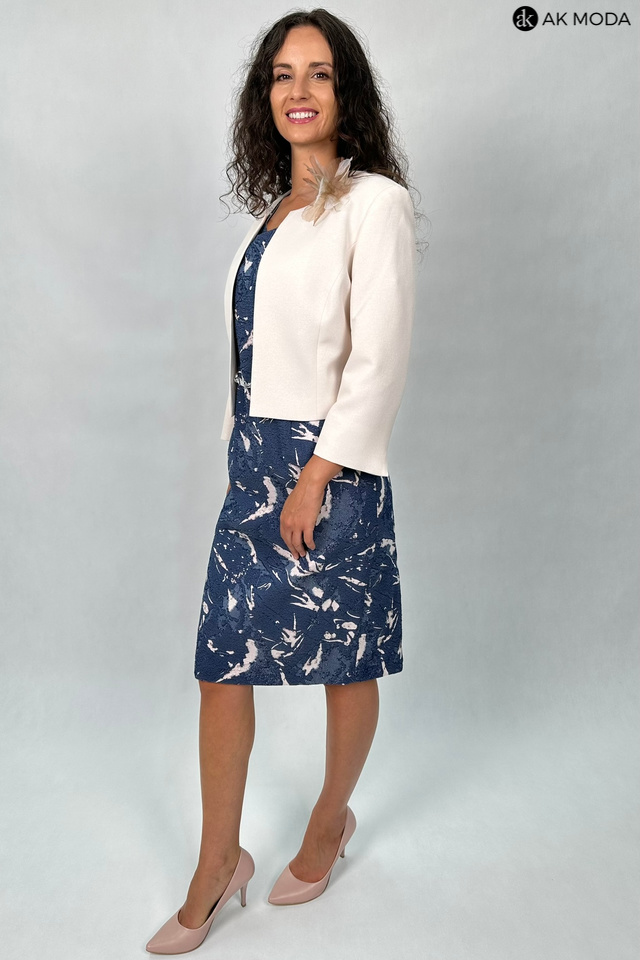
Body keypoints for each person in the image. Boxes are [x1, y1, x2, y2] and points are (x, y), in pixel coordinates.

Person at [146, 8, 419, 954]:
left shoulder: (375, 203)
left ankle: (328, 822)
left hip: (330, 464)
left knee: (347, 661)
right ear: (264, 97)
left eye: (319, 73)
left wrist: (315, 475)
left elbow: (379, 359)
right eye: (281, 75)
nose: (298, 90)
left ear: (348, 93)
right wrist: (248, 466)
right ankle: (218, 863)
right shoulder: (270, 216)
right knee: (220, 667)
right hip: (254, 467)